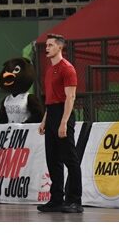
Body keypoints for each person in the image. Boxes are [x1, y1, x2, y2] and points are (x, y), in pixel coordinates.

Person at [37, 34, 83, 213]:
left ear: (59, 48)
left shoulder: (67, 69)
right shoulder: (49, 70)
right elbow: (51, 99)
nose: (46, 48)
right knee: (53, 160)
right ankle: (56, 200)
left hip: (64, 114)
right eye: (46, 45)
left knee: (70, 160)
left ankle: (75, 201)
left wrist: (63, 122)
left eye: (50, 45)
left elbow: (70, 97)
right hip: (52, 114)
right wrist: (44, 121)